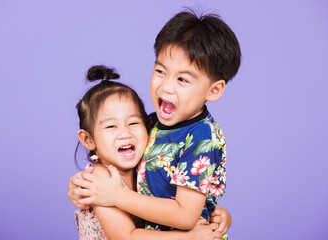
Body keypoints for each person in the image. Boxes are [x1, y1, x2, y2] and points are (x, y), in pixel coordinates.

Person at [70, 9, 240, 239]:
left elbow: (185, 215)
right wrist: (78, 186)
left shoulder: (201, 138)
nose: (166, 87)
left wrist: (117, 196)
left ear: (214, 89)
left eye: (182, 79)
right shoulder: (148, 124)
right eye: (161, 71)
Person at [72, 65, 225, 240]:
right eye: (111, 126)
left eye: (133, 123)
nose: (125, 133)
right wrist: (190, 237)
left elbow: (176, 203)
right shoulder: (100, 180)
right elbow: (125, 236)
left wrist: (219, 215)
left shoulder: (144, 163)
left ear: (148, 125)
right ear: (88, 140)